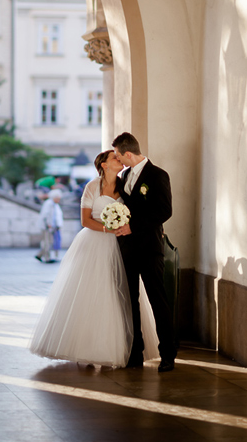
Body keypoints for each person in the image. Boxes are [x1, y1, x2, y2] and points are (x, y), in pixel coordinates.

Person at [29, 150, 159, 367]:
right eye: (114, 158)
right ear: (104, 165)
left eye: (120, 157)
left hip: (121, 244)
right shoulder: (92, 187)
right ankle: (88, 347)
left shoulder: (125, 185)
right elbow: (85, 220)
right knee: (91, 292)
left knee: (119, 293)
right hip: (94, 243)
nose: (119, 160)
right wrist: (109, 229)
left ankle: (125, 347)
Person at [112, 132, 178, 372]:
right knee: (130, 302)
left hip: (150, 248)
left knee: (157, 300)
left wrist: (132, 226)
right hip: (127, 250)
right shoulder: (125, 175)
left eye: (120, 156)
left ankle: (168, 354)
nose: (119, 161)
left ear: (128, 153)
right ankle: (135, 354)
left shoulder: (158, 175)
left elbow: (164, 211)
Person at [36, 190, 63, 263]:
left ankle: (40, 255)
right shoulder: (49, 204)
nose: (59, 200)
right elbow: (46, 215)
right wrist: (49, 224)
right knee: (47, 242)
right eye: (58, 198)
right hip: (47, 226)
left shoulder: (54, 204)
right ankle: (47, 257)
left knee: (48, 242)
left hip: (50, 226)